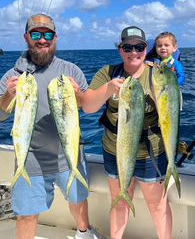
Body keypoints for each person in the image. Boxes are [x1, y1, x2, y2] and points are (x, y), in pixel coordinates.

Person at [0, 13, 106, 239]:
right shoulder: (12, 76)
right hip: (30, 160)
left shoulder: (70, 70)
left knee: (78, 200)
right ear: (26, 37)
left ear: (55, 37)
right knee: (28, 215)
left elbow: (87, 106)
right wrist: (8, 97)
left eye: (47, 34)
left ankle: (84, 233)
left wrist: (77, 93)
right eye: (36, 34)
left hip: (69, 156)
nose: (42, 39)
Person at [80, 26, 173, 239]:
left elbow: (171, 113)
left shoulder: (157, 73)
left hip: (151, 153)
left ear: (146, 48)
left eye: (139, 47)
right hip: (115, 149)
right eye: (128, 47)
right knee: (120, 201)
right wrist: (108, 89)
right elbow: (87, 107)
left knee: (157, 205)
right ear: (120, 49)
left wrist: (163, 89)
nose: (134, 52)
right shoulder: (108, 72)